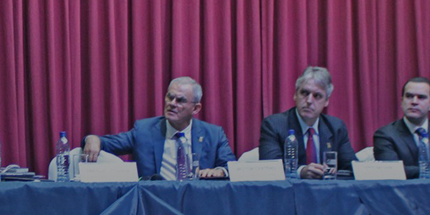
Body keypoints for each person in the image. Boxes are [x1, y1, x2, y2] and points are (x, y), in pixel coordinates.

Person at [81, 77, 236, 179]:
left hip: (197, 201)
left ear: (195, 108)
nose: (172, 104)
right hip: (154, 203)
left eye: (180, 100)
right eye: (170, 97)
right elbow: (109, 143)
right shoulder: (144, 130)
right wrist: (93, 139)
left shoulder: (214, 134)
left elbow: (231, 166)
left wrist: (220, 171)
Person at [259, 66, 357, 178]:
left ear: (326, 101)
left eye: (317, 96)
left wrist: (333, 172)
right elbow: (270, 169)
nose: (309, 101)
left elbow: (351, 168)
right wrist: (300, 172)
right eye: (304, 93)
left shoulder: (336, 127)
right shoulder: (274, 125)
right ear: (295, 95)